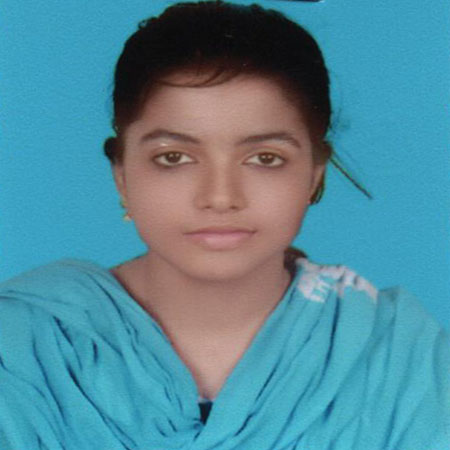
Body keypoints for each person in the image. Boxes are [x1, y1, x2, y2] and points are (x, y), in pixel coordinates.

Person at [0, 1, 448, 449]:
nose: (219, 197)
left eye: (265, 158)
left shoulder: (396, 357)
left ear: (314, 174)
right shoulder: (24, 347)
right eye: (173, 158)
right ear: (122, 175)